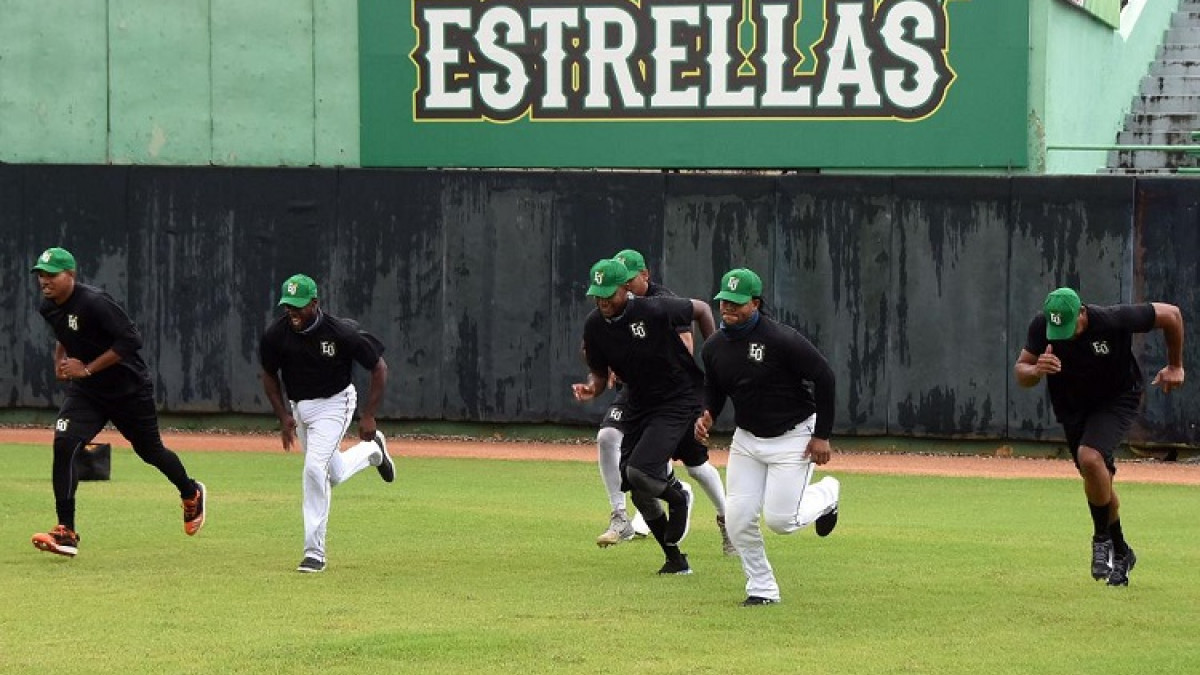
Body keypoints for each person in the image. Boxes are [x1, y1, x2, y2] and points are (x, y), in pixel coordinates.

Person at [29, 247, 207, 557]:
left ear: (70, 275)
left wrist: (85, 368)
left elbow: (130, 340)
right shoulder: (48, 306)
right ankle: (66, 531)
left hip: (128, 389)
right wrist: (61, 359)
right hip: (87, 393)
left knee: (150, 451)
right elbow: (64, 332)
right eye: (40, 275)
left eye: (51, 274)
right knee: (64, 443)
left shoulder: (95, 302)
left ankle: (191, 492)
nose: (44, 281)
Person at [1013, 287, 1184, 587]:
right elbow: (1021, 371)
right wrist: (1036, 370)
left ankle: (1100, 540)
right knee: (1097, 476)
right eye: (1058, 328)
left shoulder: (1113, 320)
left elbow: (1172, 315)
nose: (1063, 334)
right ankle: (1122, 552)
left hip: (1116, 399)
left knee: (1089, 456)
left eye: (1068, 326)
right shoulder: (1043, 327)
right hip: (1074, 408)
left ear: (1082, 313)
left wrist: (1175, 365)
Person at [695, 268, 841, 606]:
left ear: (755, 303)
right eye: (724, 302)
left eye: (736, 303)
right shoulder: (715, 346)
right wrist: (708, 413)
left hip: (793, 436)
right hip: (747, 440)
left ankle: (828, 494)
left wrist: (822, 436)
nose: (727, 308)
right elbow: (714, 389)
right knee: (737, 519)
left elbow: (825, 377)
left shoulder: (781, 339)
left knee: (781, 521)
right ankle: (762, 588)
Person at [573, 258, 716, 575]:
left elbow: (703, 309)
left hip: (677, 397)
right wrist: (591, 389)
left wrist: (715, 353)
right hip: (639, 400)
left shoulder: (654, 309)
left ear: (625, 287)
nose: (602, 301)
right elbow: (599, 374)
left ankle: (678, 497)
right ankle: (675, 560)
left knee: (640, 472)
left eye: (608, 293)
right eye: (597, 294)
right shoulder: (595, 325)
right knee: (637, 488)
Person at [259, 273, 396, 573]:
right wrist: (283, 415)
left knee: (313, 469)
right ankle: (373, 451)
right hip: (301, 407)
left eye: (298, 305)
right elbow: (269, 375)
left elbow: (379, 367)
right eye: (287, 306)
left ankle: (314, 552)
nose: (292, 312)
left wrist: (369, 414)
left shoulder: (341, 332)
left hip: (336, 403)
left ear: (314, 303)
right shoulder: (276, 335)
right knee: (330, 474)